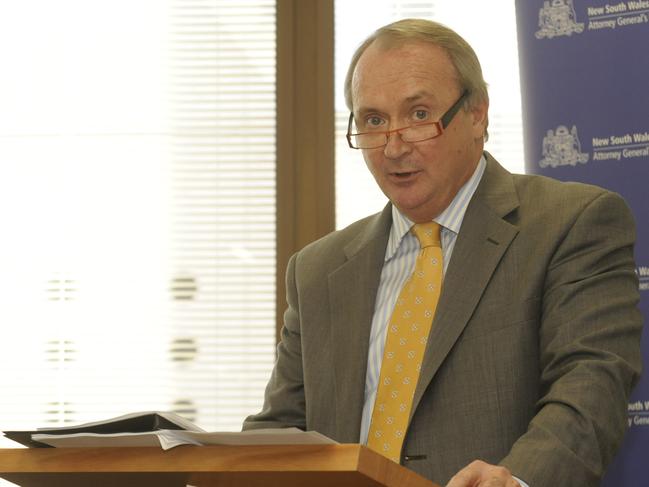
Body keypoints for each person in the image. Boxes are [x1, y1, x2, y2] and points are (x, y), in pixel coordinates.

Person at [243, 18, 642, 487]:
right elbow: (281, 431)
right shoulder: (317, 269)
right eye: (373, 120)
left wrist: (517, 478)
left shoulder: (570, 224)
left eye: (417, 115)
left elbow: (590, 385)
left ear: (477, 115)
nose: (393, 146)